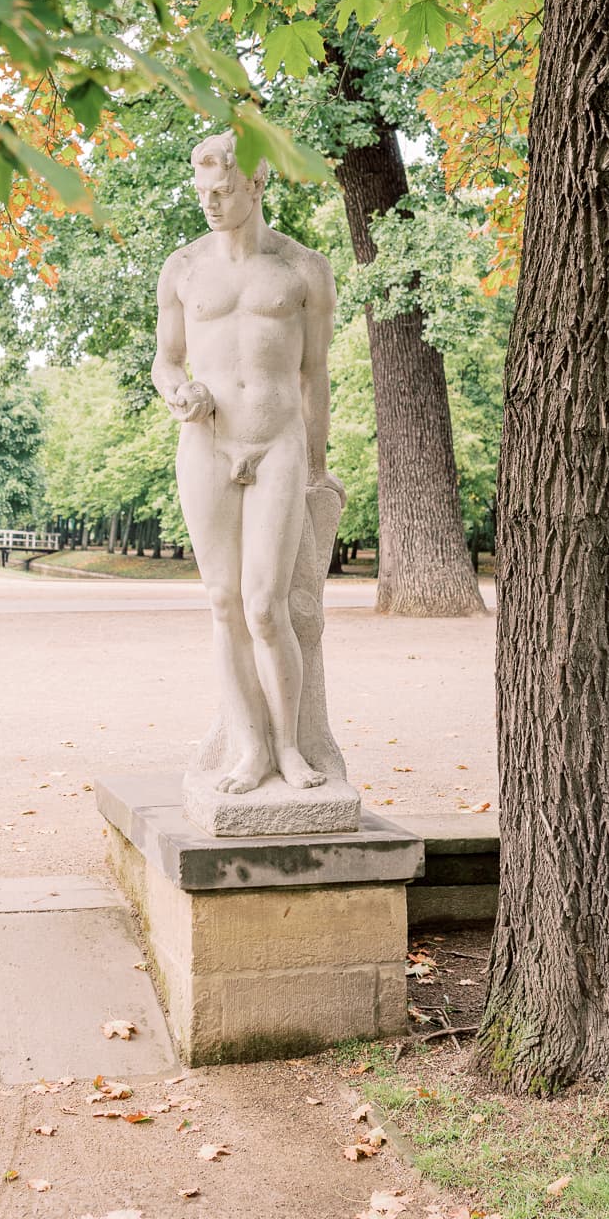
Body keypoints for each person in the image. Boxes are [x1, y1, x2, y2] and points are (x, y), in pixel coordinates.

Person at [152, 131, 342, 795]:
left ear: (257, 187)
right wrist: (178, 391)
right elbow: (165, 357)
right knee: (222, 601)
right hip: (206, 441)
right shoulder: (182, 268)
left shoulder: (302, 268)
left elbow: (315, 375)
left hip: (276, 441)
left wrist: (319, 465)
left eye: (223, 191)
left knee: (266, 605)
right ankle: (248, 746)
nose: (209, 202)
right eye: (202, 191)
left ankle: (289, 746)